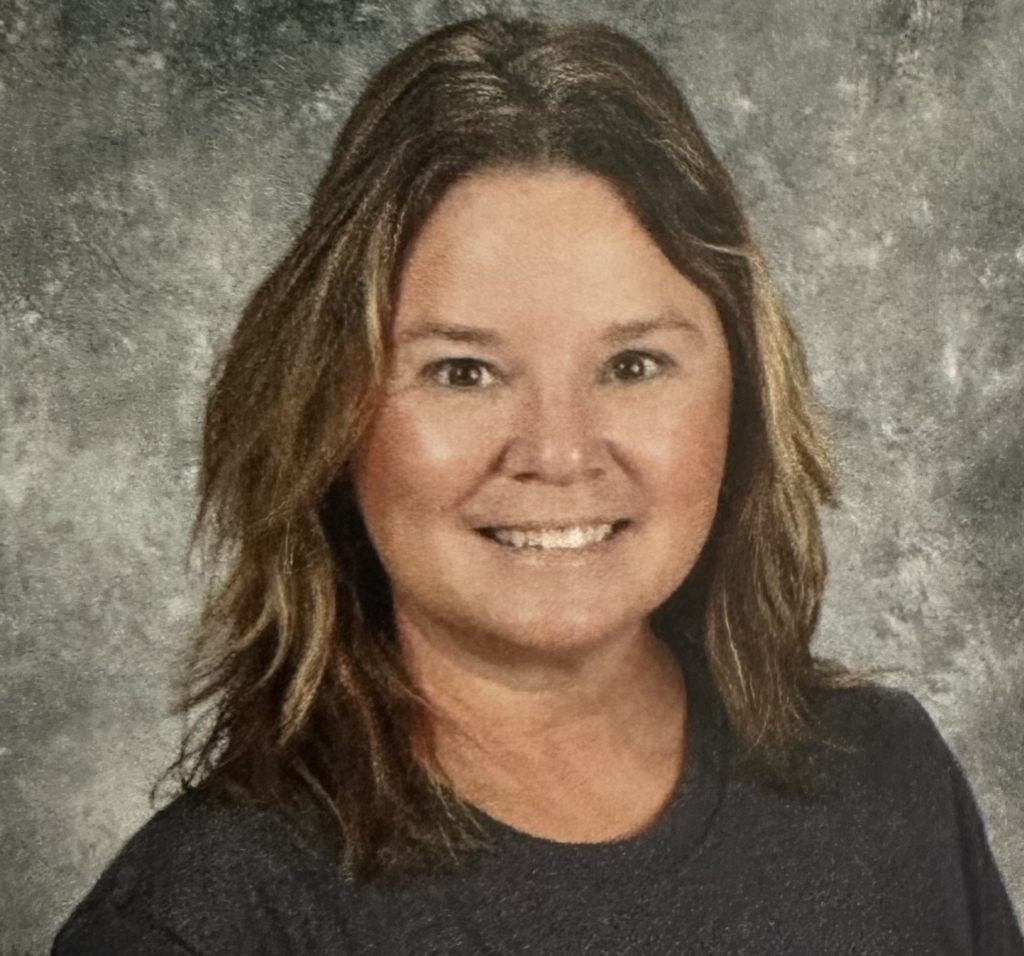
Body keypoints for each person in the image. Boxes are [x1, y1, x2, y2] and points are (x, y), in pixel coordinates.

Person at [51, 13, 1023, 956]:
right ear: (329, 413)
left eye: (633, 364)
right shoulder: (205, 918)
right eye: (463, 371)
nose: (558, 452)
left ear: (744, 396)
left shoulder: (886, 779)